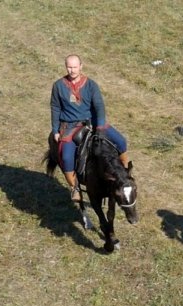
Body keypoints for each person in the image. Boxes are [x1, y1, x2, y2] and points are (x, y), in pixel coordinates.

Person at [50, 54, 131, 201]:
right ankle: (74, 187)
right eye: (69, 67)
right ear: (65, 67)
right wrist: (55, 130)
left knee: (121, 141)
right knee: (66, 157)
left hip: (92, 122)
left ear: (81, 66)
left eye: (75, 67)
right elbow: (55, 108)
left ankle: (125, 174)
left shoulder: (91, 85)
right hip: (70, 126)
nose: (72, 70)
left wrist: (100, 127)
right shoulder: (58, 86)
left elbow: (99, 106)